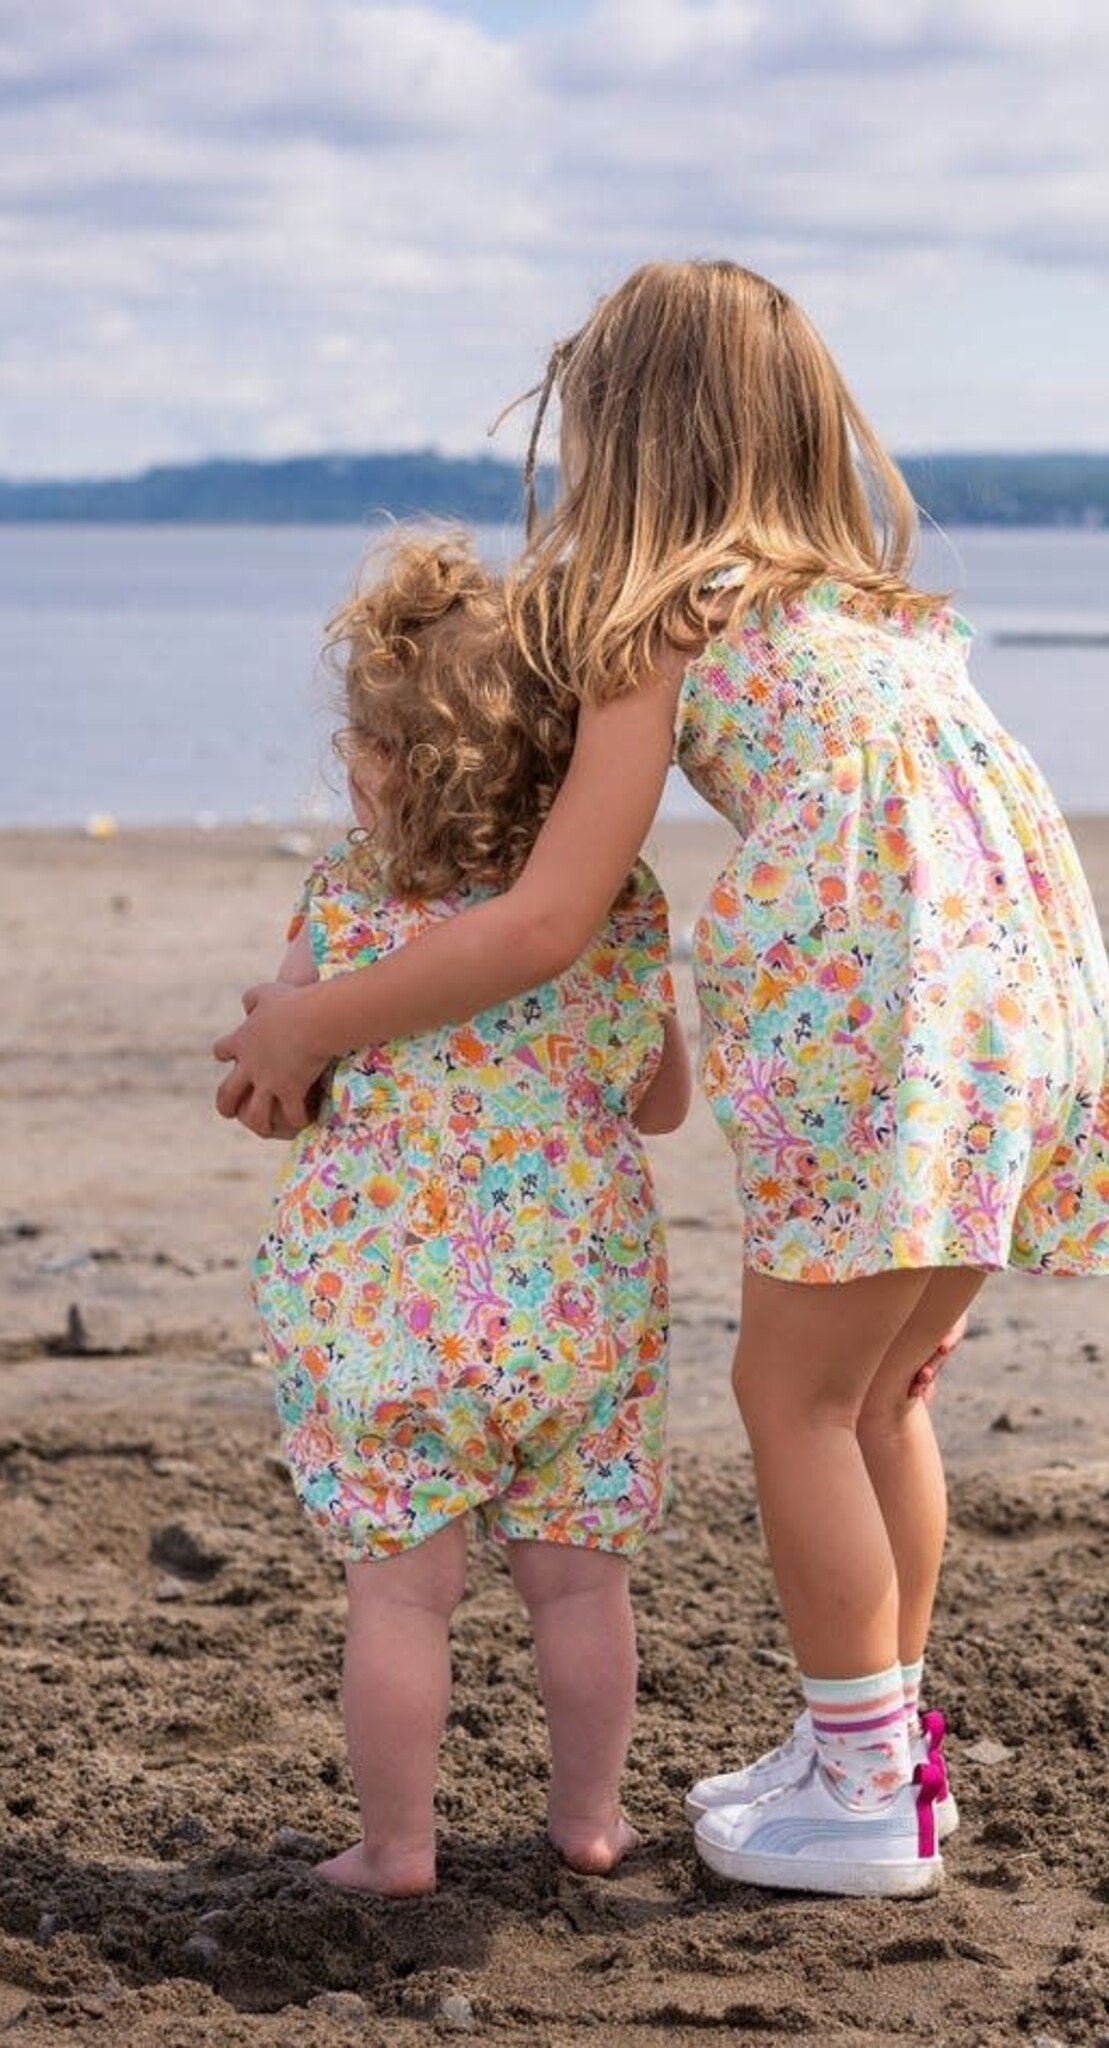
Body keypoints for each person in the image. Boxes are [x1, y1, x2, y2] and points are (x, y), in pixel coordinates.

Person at [218, 261, 1109, 1899]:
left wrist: (313, 1021)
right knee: (881, 1397)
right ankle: (885, 1753)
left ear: (623, 435)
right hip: (1019, 1022)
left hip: (880, 1026)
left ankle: (860, 1795)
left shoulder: (664, 618)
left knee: (792, 1400)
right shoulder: (879, 614)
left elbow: (550, 916)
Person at [250, 530, 689, 1895]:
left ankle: (396, 1848)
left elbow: (280, 1088)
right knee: (580, 1589)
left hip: (388, 1314)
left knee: (399, 1597)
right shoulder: (616, 902)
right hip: (581, 1307)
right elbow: (662, 1100)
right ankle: (591, 1821)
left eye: (356, 746)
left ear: (385, 767)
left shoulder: (344, 908)